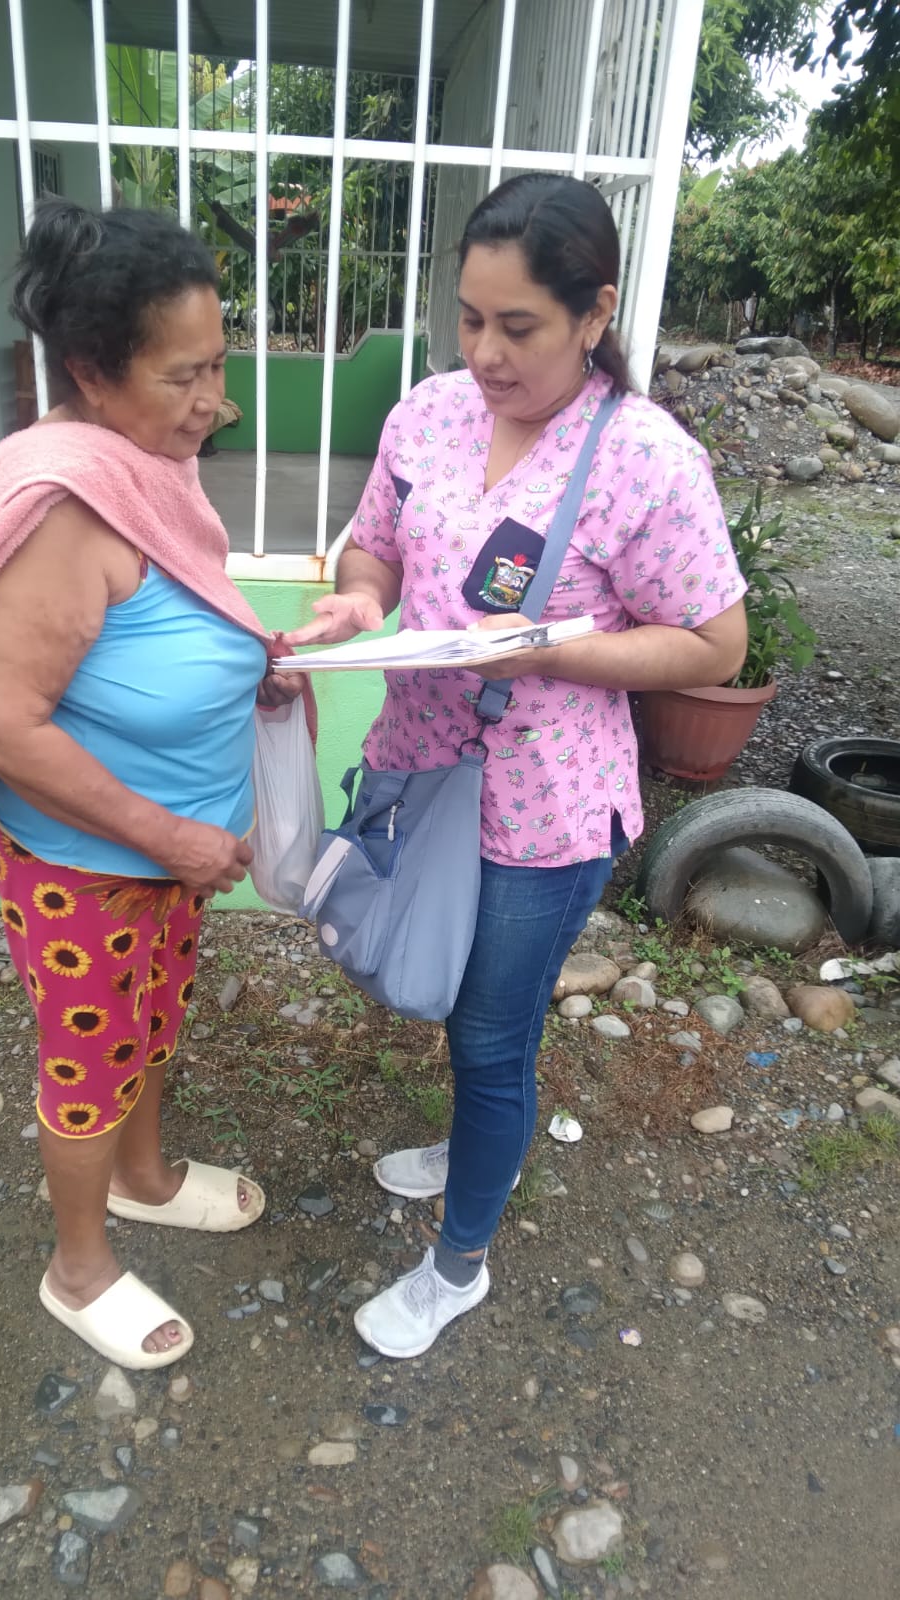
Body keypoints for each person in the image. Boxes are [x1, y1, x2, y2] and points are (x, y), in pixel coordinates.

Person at [284, 174, 748, 1359]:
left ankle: (458, 1263)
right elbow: (374, 549)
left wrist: (552, 646)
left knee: (494, 1034)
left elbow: (715, 644)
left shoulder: (645, 458)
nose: (485, 354)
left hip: (545, 808)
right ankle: (467, 1145)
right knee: (452, 994)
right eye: (470, 319)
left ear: (595, 314)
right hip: (420, 767)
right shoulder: (429, 414)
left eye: (520, 327)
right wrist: (358, 601)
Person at [0, 200, 301, 1369]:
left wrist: (254, 663)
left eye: (219, 364)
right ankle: (77, 1268)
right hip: (85, 858)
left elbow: (171, 614)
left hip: (171, 848)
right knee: (90, 1056)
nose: (217, 401)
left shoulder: (144, 468)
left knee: (154, 1016)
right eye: (185, 375)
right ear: (92, 370)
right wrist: (166, 835)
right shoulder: (65, 509)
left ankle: (145, 1177)